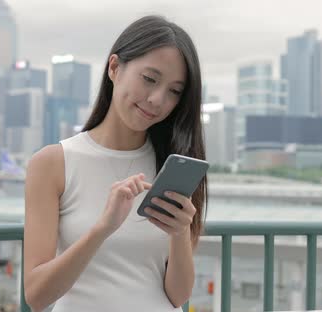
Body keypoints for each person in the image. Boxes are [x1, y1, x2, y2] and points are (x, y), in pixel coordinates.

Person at [23, 15, 207, 312]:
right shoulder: (53, 163)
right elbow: (37, 295)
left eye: (174, 91)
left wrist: (180, 232)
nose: (157, 99)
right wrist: (103, 228)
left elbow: (178, 296)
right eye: (149, 79)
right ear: (114, 68)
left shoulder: (173, 166)